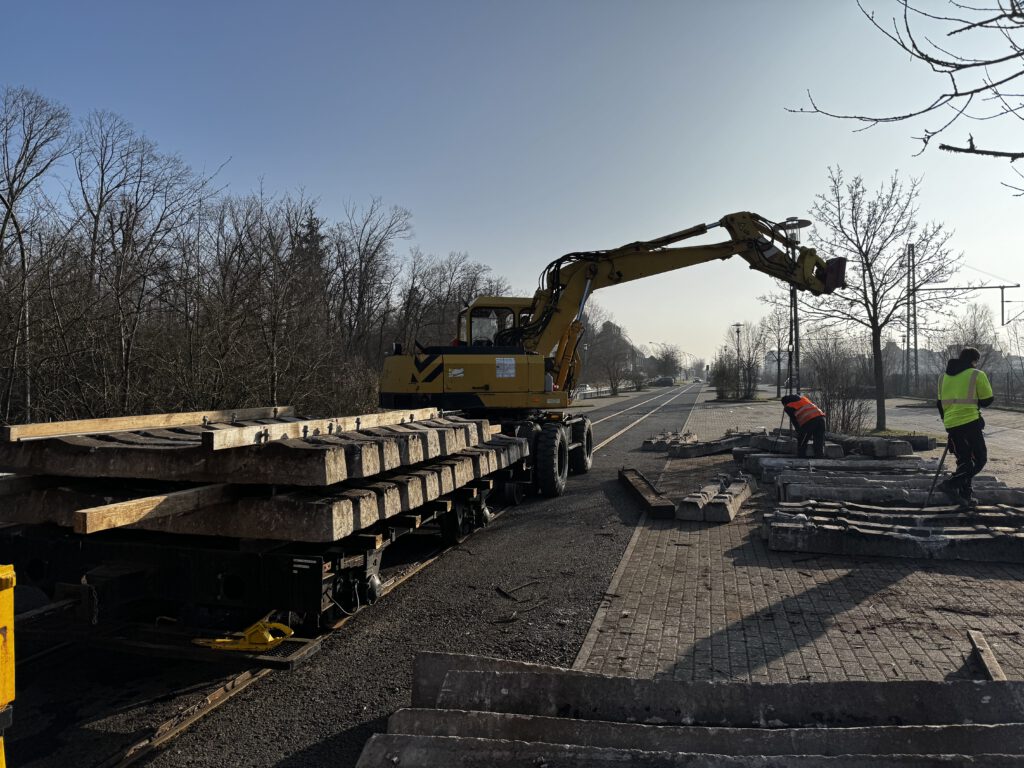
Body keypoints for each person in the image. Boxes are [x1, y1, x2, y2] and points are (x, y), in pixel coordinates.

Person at [936, 346, 993, 508]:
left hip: (952, 424)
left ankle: (965, 496)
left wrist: (948, 422)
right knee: (979, 459)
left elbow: (939, 404)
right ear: (974, 361)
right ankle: (950, 484)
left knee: (965, 462)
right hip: (970, 423)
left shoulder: (942, 377)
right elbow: (987, 400)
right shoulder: (976, 374)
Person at [780, 393, 827, 458]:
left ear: (785, 403)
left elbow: (794, 420)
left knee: (802, 441)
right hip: (821, 419)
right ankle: (819, 457)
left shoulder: (789, 406)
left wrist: (798, 431)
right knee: (819, 441)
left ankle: (801, 458)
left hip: (810, 421)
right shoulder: (803, 399)